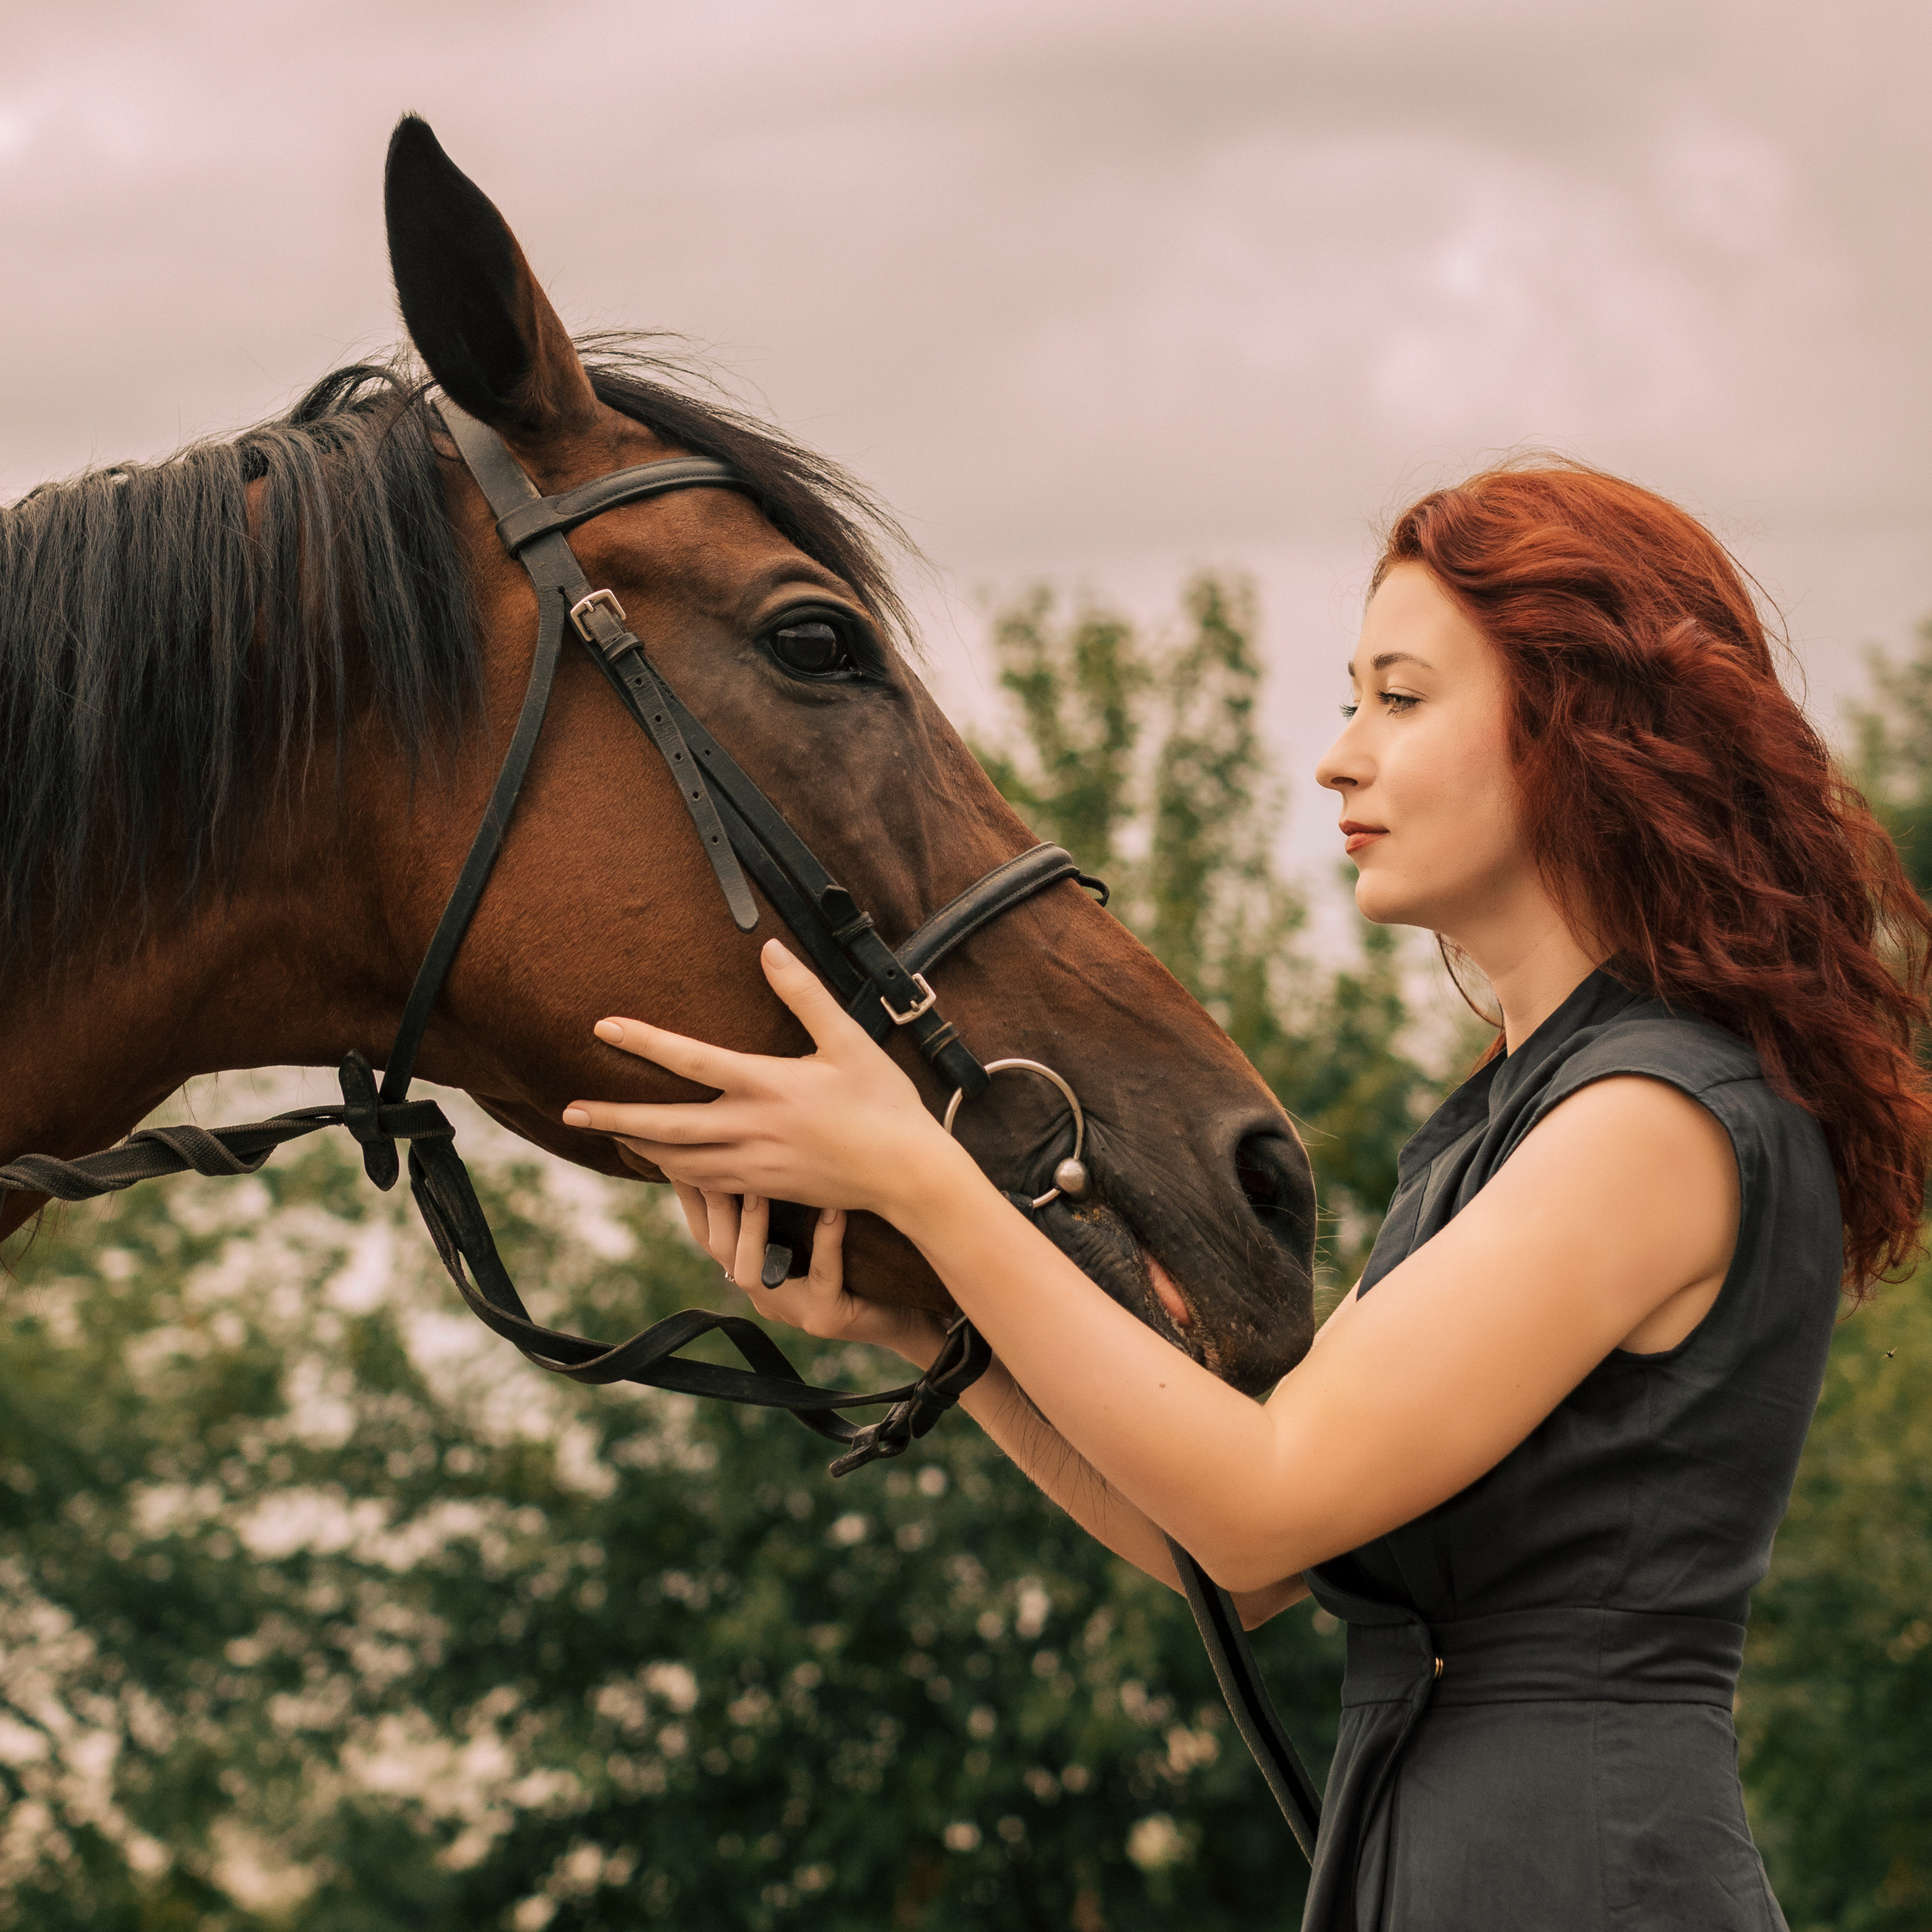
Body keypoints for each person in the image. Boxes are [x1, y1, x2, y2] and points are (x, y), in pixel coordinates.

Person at [559, 460, 1932, 1930]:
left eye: (1399, 698)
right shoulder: (1514, 1121)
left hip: (1576, 1872)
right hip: (1452, 1858)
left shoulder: (1649, 1119)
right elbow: (1224, 1544)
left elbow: (1265, 1503)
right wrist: (931, 1327)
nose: (1336, 757)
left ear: (1581, 731)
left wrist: (920, 1164)